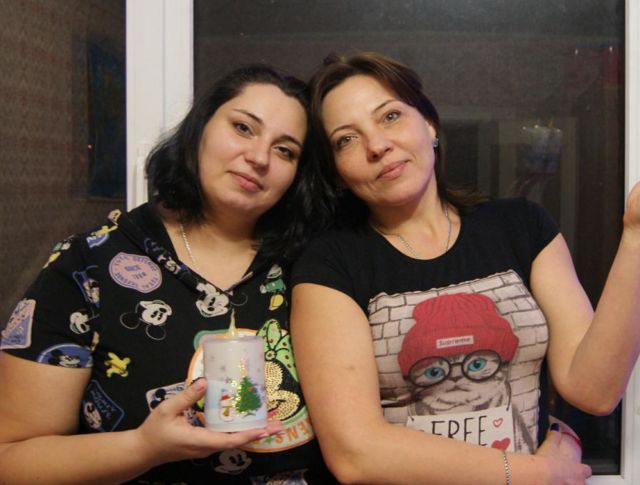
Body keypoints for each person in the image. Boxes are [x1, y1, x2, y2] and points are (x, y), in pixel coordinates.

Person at [290, 51, 640, 484]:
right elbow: (355, 454)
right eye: (346, 139)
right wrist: (535, 473)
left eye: (390, 116)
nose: (377, 145)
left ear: (429, 124)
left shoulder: (521, 226)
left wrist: (635, 235)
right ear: (336, 172)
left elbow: (594, 391)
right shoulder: (329, 263)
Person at [0, 64, 336, 484]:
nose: (259, 157)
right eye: (243, 128)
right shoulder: (90, 265)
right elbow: (10, 459)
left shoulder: (314, 264)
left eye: (285, 150)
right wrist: (142, 448)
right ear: (199, 130)